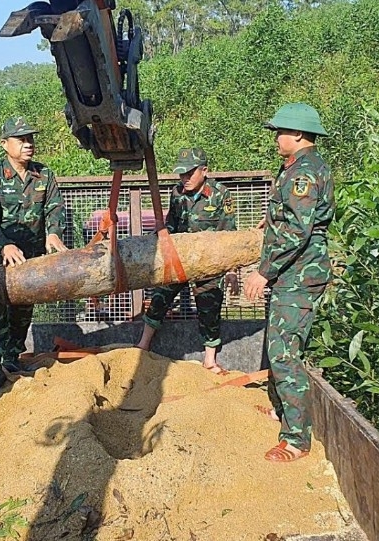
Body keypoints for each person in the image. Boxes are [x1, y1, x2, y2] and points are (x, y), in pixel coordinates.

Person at [244, 103, 334, 463]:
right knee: (280, 344)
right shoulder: (300, 167)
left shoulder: (304, 172)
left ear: (297, 134)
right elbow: (293, 216)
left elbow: (298, 229)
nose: (276, 138)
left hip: (299, 274)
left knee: (283, 353)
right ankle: (283, 411)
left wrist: (263, 271)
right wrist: (270, 222)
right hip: (293, 273)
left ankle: (296, 439)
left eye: (280, 132)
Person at [0, 116, 68, 399]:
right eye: (21, 139)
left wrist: (53, 233)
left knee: (22, 310)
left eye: (31, 139)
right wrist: (4, 245)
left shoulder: (44, 174)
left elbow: (54, 208)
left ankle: (12, 358)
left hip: (29, 260)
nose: (28, 144)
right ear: (5, 144)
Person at [136, 148, 239, 373]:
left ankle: (210, 361)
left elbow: (230, 236)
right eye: (182, 173)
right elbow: (171, 226)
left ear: (204, 170)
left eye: (190, 173)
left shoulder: (220, 195)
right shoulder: (177, 193)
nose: (185, 178)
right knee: (160, 297)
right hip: (180, 260)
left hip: (209, 262)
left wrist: (231, 270)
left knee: (209, 306)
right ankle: (142, 346)